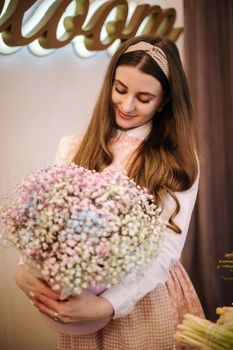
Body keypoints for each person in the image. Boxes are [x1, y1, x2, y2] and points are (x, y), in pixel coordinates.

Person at [15, 34, 204, 349]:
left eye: (144, 98)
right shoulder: (72, 147)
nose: (127, 105)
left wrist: (109, 303)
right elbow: (48, 225)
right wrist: (24, 270)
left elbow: (167, 251)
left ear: (164, 102)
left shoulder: (176, 159)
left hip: (143, 300)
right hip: (78, 301)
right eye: (120, 89)